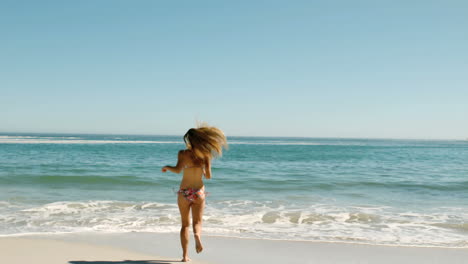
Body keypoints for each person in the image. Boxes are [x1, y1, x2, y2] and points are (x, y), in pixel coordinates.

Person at [162, 125, 227, 262]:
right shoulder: (206, 155)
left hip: (184, 192)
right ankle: (197, 236)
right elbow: (209, 176)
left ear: (189, 140)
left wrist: (167, 167)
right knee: (197, 221)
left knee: (185, 224)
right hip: (198, 192)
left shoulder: (182, 153)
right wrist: (203, 171)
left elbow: (178, 170)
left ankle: (185, 256)